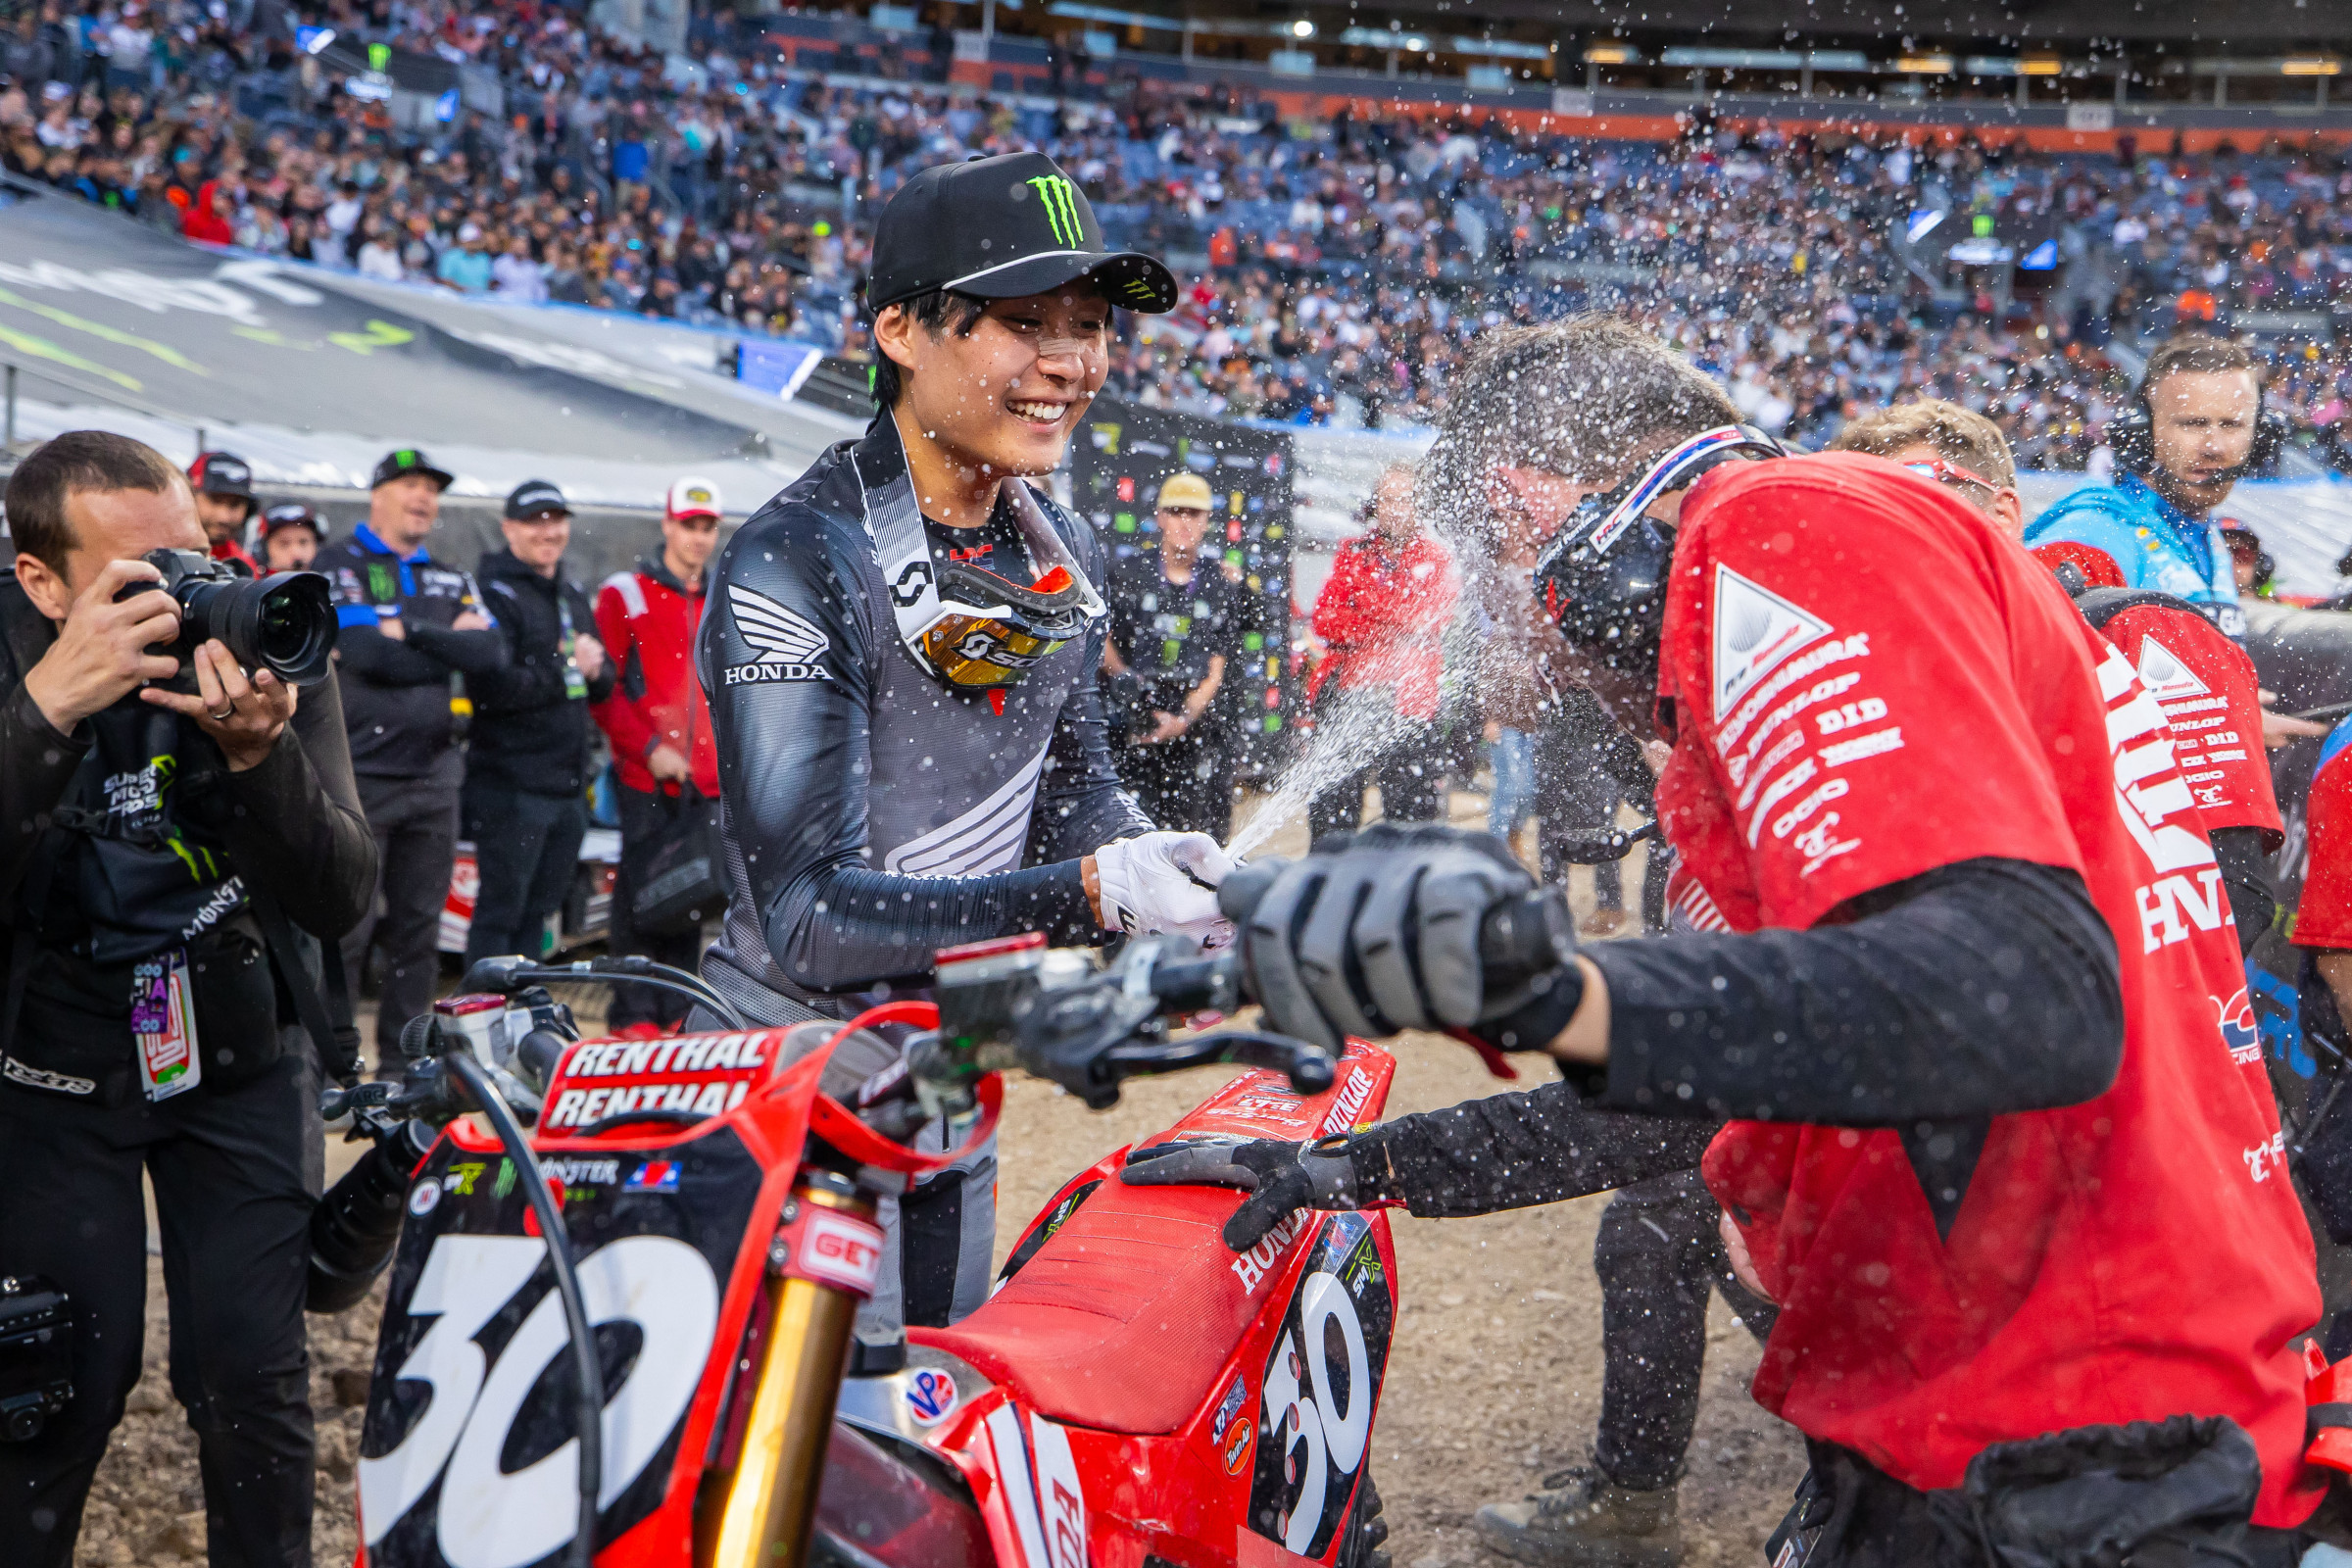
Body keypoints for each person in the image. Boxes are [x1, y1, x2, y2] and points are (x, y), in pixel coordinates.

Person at [1132, 318, 2329, 1564]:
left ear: (1541, 509)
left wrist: (1522, 983)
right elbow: (1730, 1079)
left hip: (2073, 1444)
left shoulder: (1771, 528)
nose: (1467, 619)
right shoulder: (1820, 552)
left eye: (1472, 560)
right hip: (2085, 1409)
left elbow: (2018, 1000)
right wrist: (1362, 1171)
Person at [700, 150, 1226, 1363]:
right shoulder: (795, 556)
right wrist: (1090, 897)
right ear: (898, 328)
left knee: (935, 1423)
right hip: (799, 1091)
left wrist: (1154, 867)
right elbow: (810, 920)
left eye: (1090, 327)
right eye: (1024, 323)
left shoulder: (1062, 535)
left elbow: (1073, 785)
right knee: (813, 1480)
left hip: (952, 1071)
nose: (1071, 364)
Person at [0, 432, 374, 1568]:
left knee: (251, 1381)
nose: (182, 595)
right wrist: (42, 712)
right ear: (43, 581)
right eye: (137, 577)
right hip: (50, 1063)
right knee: (56, 1376)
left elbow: (345, 886)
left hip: (236, 1044)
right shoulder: (12, 647)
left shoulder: (261, 629)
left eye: (197, 556)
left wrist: (266, 760)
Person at [325, 448, 505, 1066]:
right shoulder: (339, 564)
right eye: (410, 486)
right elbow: (368, 654)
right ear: (379, 494)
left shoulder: (451, 574)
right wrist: (447, 643)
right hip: (357, 778)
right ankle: (337, 1066)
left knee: (419, 934)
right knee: (347, 933)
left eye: (431, 488)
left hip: (433, 778)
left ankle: (405, 1067)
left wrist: (413, 630)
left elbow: (490, 656)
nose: (423, 498)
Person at [2025, 334, 2277, 642]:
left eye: (2232, 425)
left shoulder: (2210, 539)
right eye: (2193, 423)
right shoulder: (2090, 539)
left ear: (2260, 437)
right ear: (2142, 433)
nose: (2214, 446)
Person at [462, 480, 612, 968]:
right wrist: (569, 666)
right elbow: (493, 688)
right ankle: (478, 1024)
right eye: (535, 521)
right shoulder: (494, 592)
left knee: (541, 916)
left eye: (556, 520)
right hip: (511, 788)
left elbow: (604, 681)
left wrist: (589, 668)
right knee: (500, 916)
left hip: (566, 788)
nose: (548, 531)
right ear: (508, 529)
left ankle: (523, 1025)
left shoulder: (569, 590)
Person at [594, 476, 722, 1037]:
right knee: (641, 895)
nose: (697, 537)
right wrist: (648, 750)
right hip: (646, 776)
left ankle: (674, 1011)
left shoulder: (724, 593)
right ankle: (632, 1013)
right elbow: (603, 690)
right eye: (688, 526)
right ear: (668, 525)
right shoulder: (626, 592)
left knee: (692, 895)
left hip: (709, 781)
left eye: (707, 527)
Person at [1305, 464, 1460, 841]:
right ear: (1377, 503)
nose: (1396, 508)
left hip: (1410, 703)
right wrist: (1390, 626)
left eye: (1405, 499)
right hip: (1349, 693)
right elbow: (1325, 620)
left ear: (1419, 506)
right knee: (1332, 816)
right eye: (1389, 498)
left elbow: (1429, 618)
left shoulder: (1436, 558)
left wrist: (1363, 609)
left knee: (1410, 823)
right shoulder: (1352, 552)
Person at [1102, 471, 1240, 837]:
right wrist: (1135, 694)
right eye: (1176, 511)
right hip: (1133, 720)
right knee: (1129, 835)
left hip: (1194, 729)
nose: (1184, 522)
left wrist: (1183, 718)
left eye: (1194, 513)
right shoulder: (1128, 573)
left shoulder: (1219, 583)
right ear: (1159, 516)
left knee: (1192, 837)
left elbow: (1216, 668)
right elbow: (1103, 640)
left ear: (1207, 521)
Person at [186, 449, 258, 574]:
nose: (223, 517)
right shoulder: (158, 553)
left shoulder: (245, 567)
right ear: (188, 497)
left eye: (235, 504)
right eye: (215, 500)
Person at [258, 502, 323, 573]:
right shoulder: (252, 582)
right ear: (265, 548)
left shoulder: (329, 581)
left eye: (303, 542)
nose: (296, 553)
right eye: (284, 544)